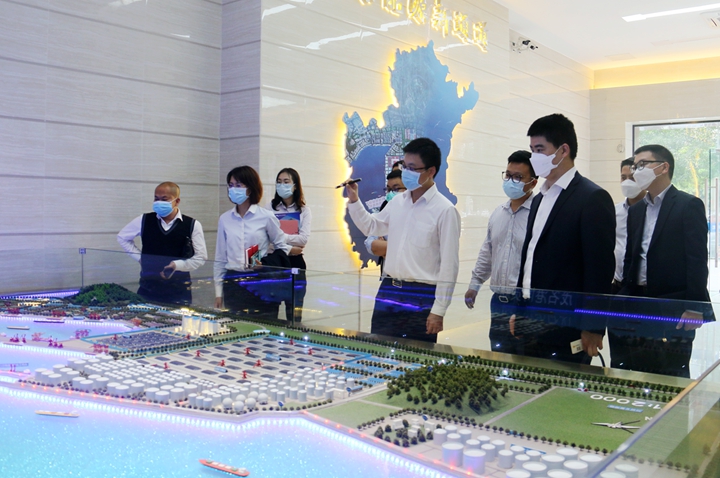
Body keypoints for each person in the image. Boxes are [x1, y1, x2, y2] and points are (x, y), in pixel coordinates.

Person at [516, 113, 616, 363]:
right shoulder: (539, 199)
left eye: (540, 149)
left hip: (568, 321)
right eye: (532, 150)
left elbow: (599, 269)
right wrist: (517, 308)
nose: (534, 157)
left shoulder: (592, 198)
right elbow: (530, 257)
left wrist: (593, 326)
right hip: (531, 316)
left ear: (563, 150)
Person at [345, 137, 461, 343]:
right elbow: (372, 226)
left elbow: (449, 265)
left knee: (416, 355)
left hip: (421, 294)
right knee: (379, 349)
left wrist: (439, 310)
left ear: (431, 171)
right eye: (404, 166)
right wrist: (354, 200)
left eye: (412, 168)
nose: (406, 172)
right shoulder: (398, 202)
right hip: (388, 289)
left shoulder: (445, 210)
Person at [616, 144, 712, 377]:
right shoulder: (636, 210)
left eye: (642, 165)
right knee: (635, 370)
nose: (636, 171)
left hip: (673, 307)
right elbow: (630, 258)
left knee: (670, 373)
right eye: (635, 166)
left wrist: (695, 306)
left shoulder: (687, 205)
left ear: (663, 167)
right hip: (637, 304)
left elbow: (697, 260)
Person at [464, 151, 537, 354]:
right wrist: (474, 284)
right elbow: (487, 251)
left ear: (533, 182)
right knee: (499, 356)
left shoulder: (539, 215)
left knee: (525, 357)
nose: (511, 181)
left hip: (525, 302)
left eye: (518, 177)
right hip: (498, 302)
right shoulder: (498, 213)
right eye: (508, 175)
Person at [214, 166, 291, 318]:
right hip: (233, 281)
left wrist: (265, 263)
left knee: (263, 325)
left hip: (260, 281)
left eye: (238, 185)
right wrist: (218, 292)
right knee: (235, 326)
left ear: (250, 187)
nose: (233, 189)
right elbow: (220, 258)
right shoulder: (225, 219)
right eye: (231, 185)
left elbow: (282, 246)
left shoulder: (266, 216)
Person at [117, 181, 207, 305]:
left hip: (179, 292)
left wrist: (177, 265)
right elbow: (122, 237)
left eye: (164, 199)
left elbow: (201, 257)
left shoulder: (192, 224)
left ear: (177, 201)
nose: (159, 203)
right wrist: (140, 258)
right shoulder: (144, 220)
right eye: (156, 199)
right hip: (148, 289)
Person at [268, 168, 312, 322]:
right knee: (270, 312)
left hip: (295, 262)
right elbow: (267, 239)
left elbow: (303, 239)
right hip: (274, 262)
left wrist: (278, 236)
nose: (282, 185)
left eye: (286, 182)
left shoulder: (304, 210)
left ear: (295, 186)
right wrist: (289, 245)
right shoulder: (269, 209)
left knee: (294, 313)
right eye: (279, 182)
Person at [612, 158, 646, 294]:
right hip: (618, 283)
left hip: (644, 286)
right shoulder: (615, 211)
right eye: (623, 177)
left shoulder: (653, 210)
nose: (627, 182)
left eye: (632, 178)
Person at [364, 169, 407, 263]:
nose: (391, 193)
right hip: (388, 269)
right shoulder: (386, 207)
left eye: (396, 189)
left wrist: (385, 248)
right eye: (389, 189)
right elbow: (369, 243)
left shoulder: (418, 212)